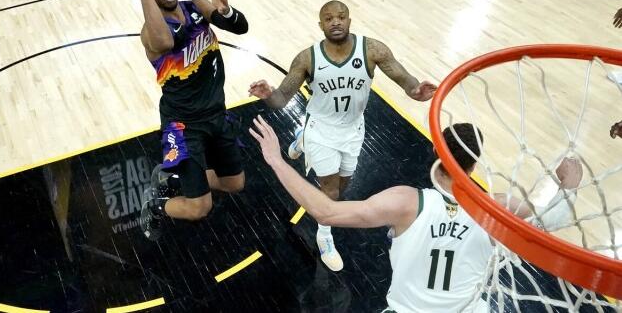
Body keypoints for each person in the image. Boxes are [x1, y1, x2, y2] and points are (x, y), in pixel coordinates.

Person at [249, 115, 583, 312]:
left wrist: (276, 159)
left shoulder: (406, 202)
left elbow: (325, 212)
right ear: (474, 164)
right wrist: (568, 183)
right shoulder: (496, 207)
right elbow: (555, 219)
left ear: (436, 151)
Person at [248, 0, 437, 271]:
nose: (335, 21)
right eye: (328, 18)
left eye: (341, 17)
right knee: (331, 191)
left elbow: (407, 82)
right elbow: (281, 99)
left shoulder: (373, 50)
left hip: (353, 130)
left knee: (344, 185)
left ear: (349, 20)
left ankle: (301, 139)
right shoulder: (307, 58)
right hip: (322, 131)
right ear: (320, 25)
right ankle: (324, 235)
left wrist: (417, 92)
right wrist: (269, 94)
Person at [107, 0, 249, 240]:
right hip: (183, 125)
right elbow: (165, 43)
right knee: (199, 208)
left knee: (235, 184)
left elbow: (240, 28)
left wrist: (226, 11)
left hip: (216, 114)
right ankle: (156, 205)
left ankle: (173, 177)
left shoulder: (196, 6)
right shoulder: (150, 34)